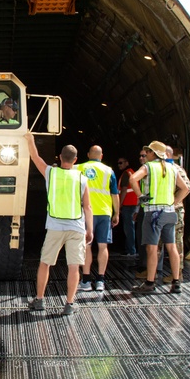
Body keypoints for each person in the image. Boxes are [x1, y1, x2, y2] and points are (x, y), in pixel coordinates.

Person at [25, 133, 93, 315]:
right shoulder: (82, 179)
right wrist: (90, 229)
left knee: (45, 263)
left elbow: (35, 157)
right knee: (73, 267)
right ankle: (69, 303)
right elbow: (87, 207)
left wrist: (30, 140)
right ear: (76, 160)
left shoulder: (50, 173)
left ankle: (39, 300)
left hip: (55, 226)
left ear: (60, 158)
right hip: (76, 227)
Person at [130, 141, 190, 294]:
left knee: (152, 249)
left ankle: (150, 283)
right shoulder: (172, 168)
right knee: (172, 247)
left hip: (153, 213)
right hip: (170, 212)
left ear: (153, 153)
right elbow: (185, 188)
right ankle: (176, 283)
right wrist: (174, 202)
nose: (146, 155)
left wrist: (140, 196)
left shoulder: (148, 167)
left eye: (148, 152)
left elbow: (132, 179)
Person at [76, 145, 119, 292]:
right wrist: (116, 213)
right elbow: (115, 194)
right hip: (104, 212)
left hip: (85, 212)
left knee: (87, 245)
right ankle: (100, 280)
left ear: (88, 155)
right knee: (103, 246)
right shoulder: (109, 171)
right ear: (101, 156)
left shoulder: (78, 168)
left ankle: (86, 280)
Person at [162, 145, 190, 283]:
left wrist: (174, 203)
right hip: (163, 210)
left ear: (168, 154)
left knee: (176, 243)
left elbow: (187, 188)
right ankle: (153, 271)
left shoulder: (175, 169)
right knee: (157, 243)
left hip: (174, 211)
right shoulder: (162, 169)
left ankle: (178, 273)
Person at [116, 157, 139, 257]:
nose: (119, 165)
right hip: (133, 204)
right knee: (130, 228)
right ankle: (129, 249)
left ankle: (131, 250)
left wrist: (119, 205)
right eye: (118, 163)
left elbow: (124, 190)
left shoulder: (126, 174)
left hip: (128, 205)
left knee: (128, 228)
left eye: (121, 163)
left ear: (127, 163)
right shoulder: (132, 173)